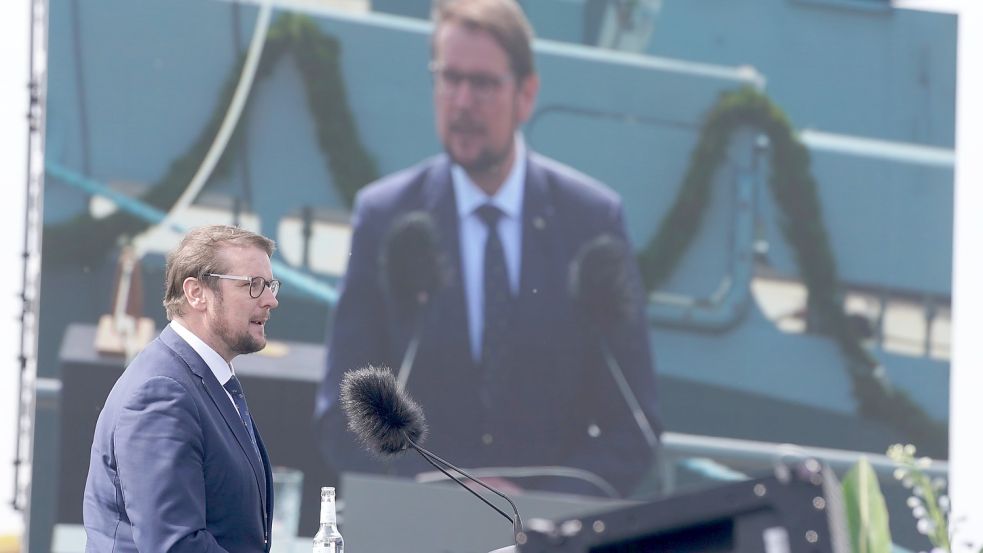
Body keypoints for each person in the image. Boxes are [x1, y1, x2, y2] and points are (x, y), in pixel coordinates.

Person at [315, 0, 661, 497]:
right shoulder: (385, 217)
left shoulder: (591, 221)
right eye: (449, 78)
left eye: (482, 84)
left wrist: (538, 504)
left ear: (526, 94)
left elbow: (634, 427)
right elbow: (343, 412)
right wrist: (440, 489)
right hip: (420, 525)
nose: (461, 102)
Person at [83, 225, 280, 552]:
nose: (271, 300)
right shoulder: (161, 393)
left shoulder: (201, 379)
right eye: (253, 285)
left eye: (271, 285)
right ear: (196, 293)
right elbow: (173, 545)